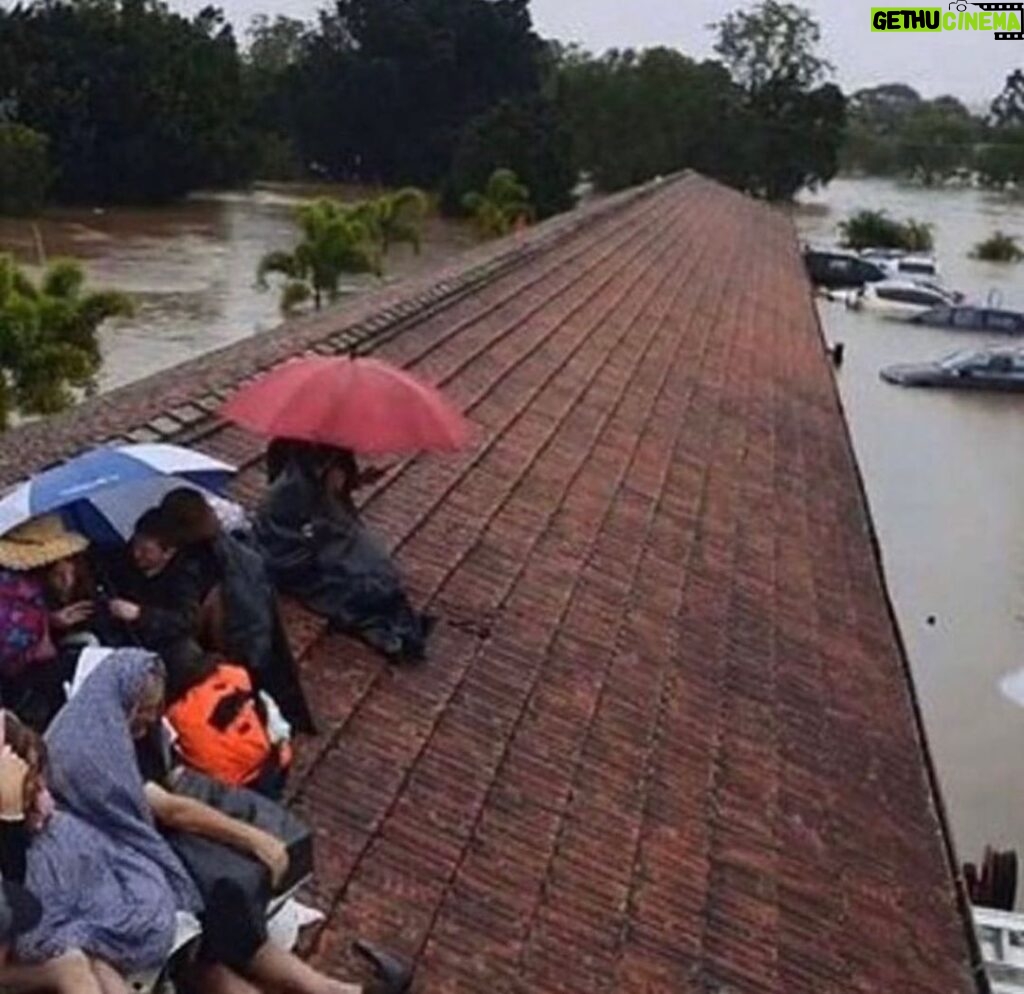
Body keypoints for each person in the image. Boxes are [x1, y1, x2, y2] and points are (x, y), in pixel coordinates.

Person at [41, 649, 404, 994]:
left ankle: (335, 990)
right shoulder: (90, 749)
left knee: (233, 933)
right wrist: (254, 838)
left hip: (139, 853)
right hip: (119, 870)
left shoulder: (119, 727)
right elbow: (168, 808)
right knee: (209, 955)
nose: (151, 719)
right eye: (145, 711)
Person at [256, 441, 432, 663]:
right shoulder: (291, 493)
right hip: (295, 565)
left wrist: (357, 482)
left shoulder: (314, 485)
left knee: (375, 576)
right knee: (359, 589)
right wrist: (322, 543)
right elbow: (287, 551)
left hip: (315, 552)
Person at [160, 488, 314, 734]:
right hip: (255, 650)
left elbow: (236, 627)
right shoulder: (230, 550)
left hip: (241, 653)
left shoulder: (209, 564)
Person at [163, 641, 292, 799]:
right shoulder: (230, 675)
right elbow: (263, 701)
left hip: (229, 786)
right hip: (266, 764)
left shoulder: (173, 714)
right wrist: (282, 739)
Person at [0, 516, 94, 730]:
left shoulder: (29, 592)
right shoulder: (14, 595)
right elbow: (13, 656)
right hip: (16, 688)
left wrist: (50, 620)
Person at [94, 508, 203, 659]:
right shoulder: (121, 560)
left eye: (146, 551)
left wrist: (141, 614)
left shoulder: (183, 577)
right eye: (135, 545)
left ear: (168, 553)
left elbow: (187, 621)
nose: (136, 554)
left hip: (164, 646)